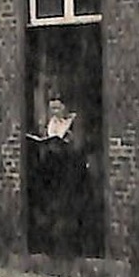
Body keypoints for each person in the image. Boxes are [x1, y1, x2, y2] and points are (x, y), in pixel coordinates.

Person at [27, 94, 91, 257]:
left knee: (67, 204)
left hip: (69, 167)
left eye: (58, 108)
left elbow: (80, 145)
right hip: (51, 168)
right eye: (52, 108)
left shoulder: (74, 122)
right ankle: (50, 246)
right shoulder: (50, 123)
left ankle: (68, 248)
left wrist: (67, 142)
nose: (55, 112)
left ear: (65, 107)